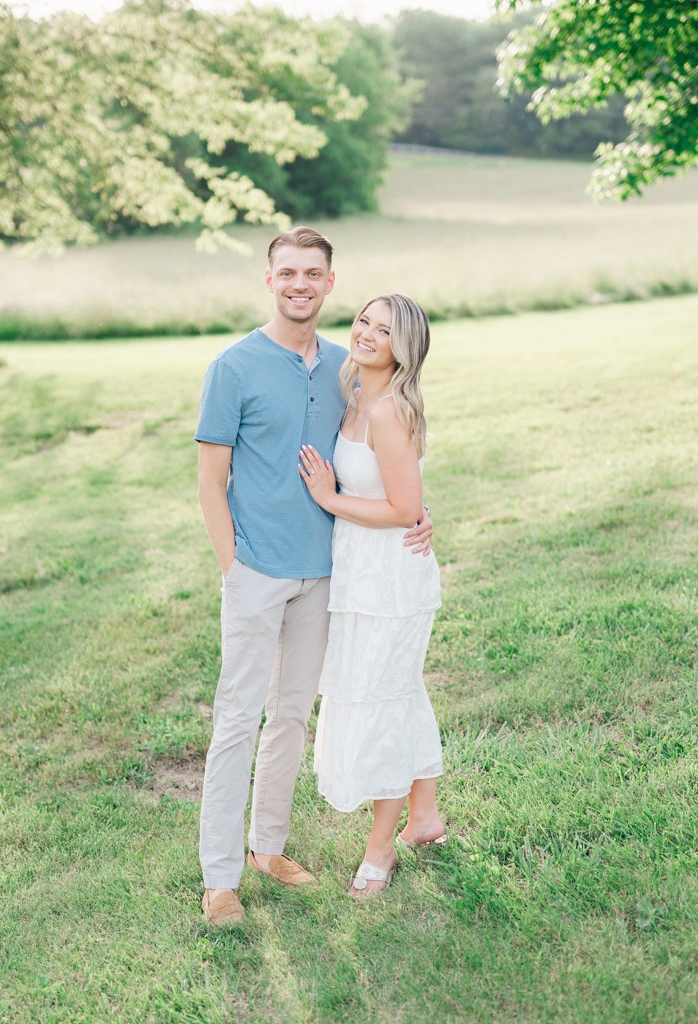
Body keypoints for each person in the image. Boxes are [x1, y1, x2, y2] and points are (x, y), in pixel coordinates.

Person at [194, 227, 434, 925]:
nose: (299, 284)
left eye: (313, 274)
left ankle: (268, 847)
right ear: (269, 280)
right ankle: (220, 876)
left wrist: (418, 516)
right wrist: (232, 566)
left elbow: (390, 459)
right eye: (287, 273)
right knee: (237, 720)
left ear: (330, 284)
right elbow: (211, 481)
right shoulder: (232, 367)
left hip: (327, 577)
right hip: (255, 572)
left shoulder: (346, 371)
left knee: (291, 717)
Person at [298, 293, 445, 898]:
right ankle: (427, 816)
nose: (366, 333)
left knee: (384, 700)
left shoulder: (387, 411)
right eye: (363, 319)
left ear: (401, 348)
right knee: (397, 690)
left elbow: (405, 507)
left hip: (391, 579)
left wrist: (331, 500)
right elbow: (403, 493)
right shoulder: (352, 396)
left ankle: (380, 850)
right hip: (360, 574)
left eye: (383, 330)